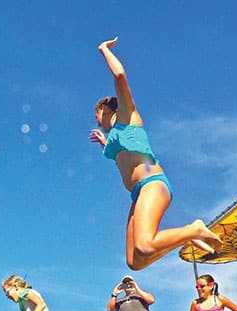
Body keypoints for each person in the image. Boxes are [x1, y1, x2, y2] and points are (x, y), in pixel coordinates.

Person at [89, 37, 221, 271]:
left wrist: (104, 50)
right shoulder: (111, 140)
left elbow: (120, 76)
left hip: (152, 182)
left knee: (146, 245)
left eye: (96, 114)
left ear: (104, 109)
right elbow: (122, 158)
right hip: (137, 193)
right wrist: (103, 143)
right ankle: (185, 236)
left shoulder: (127, 116)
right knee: (135, 261)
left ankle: (194, 228)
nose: (95, 120)